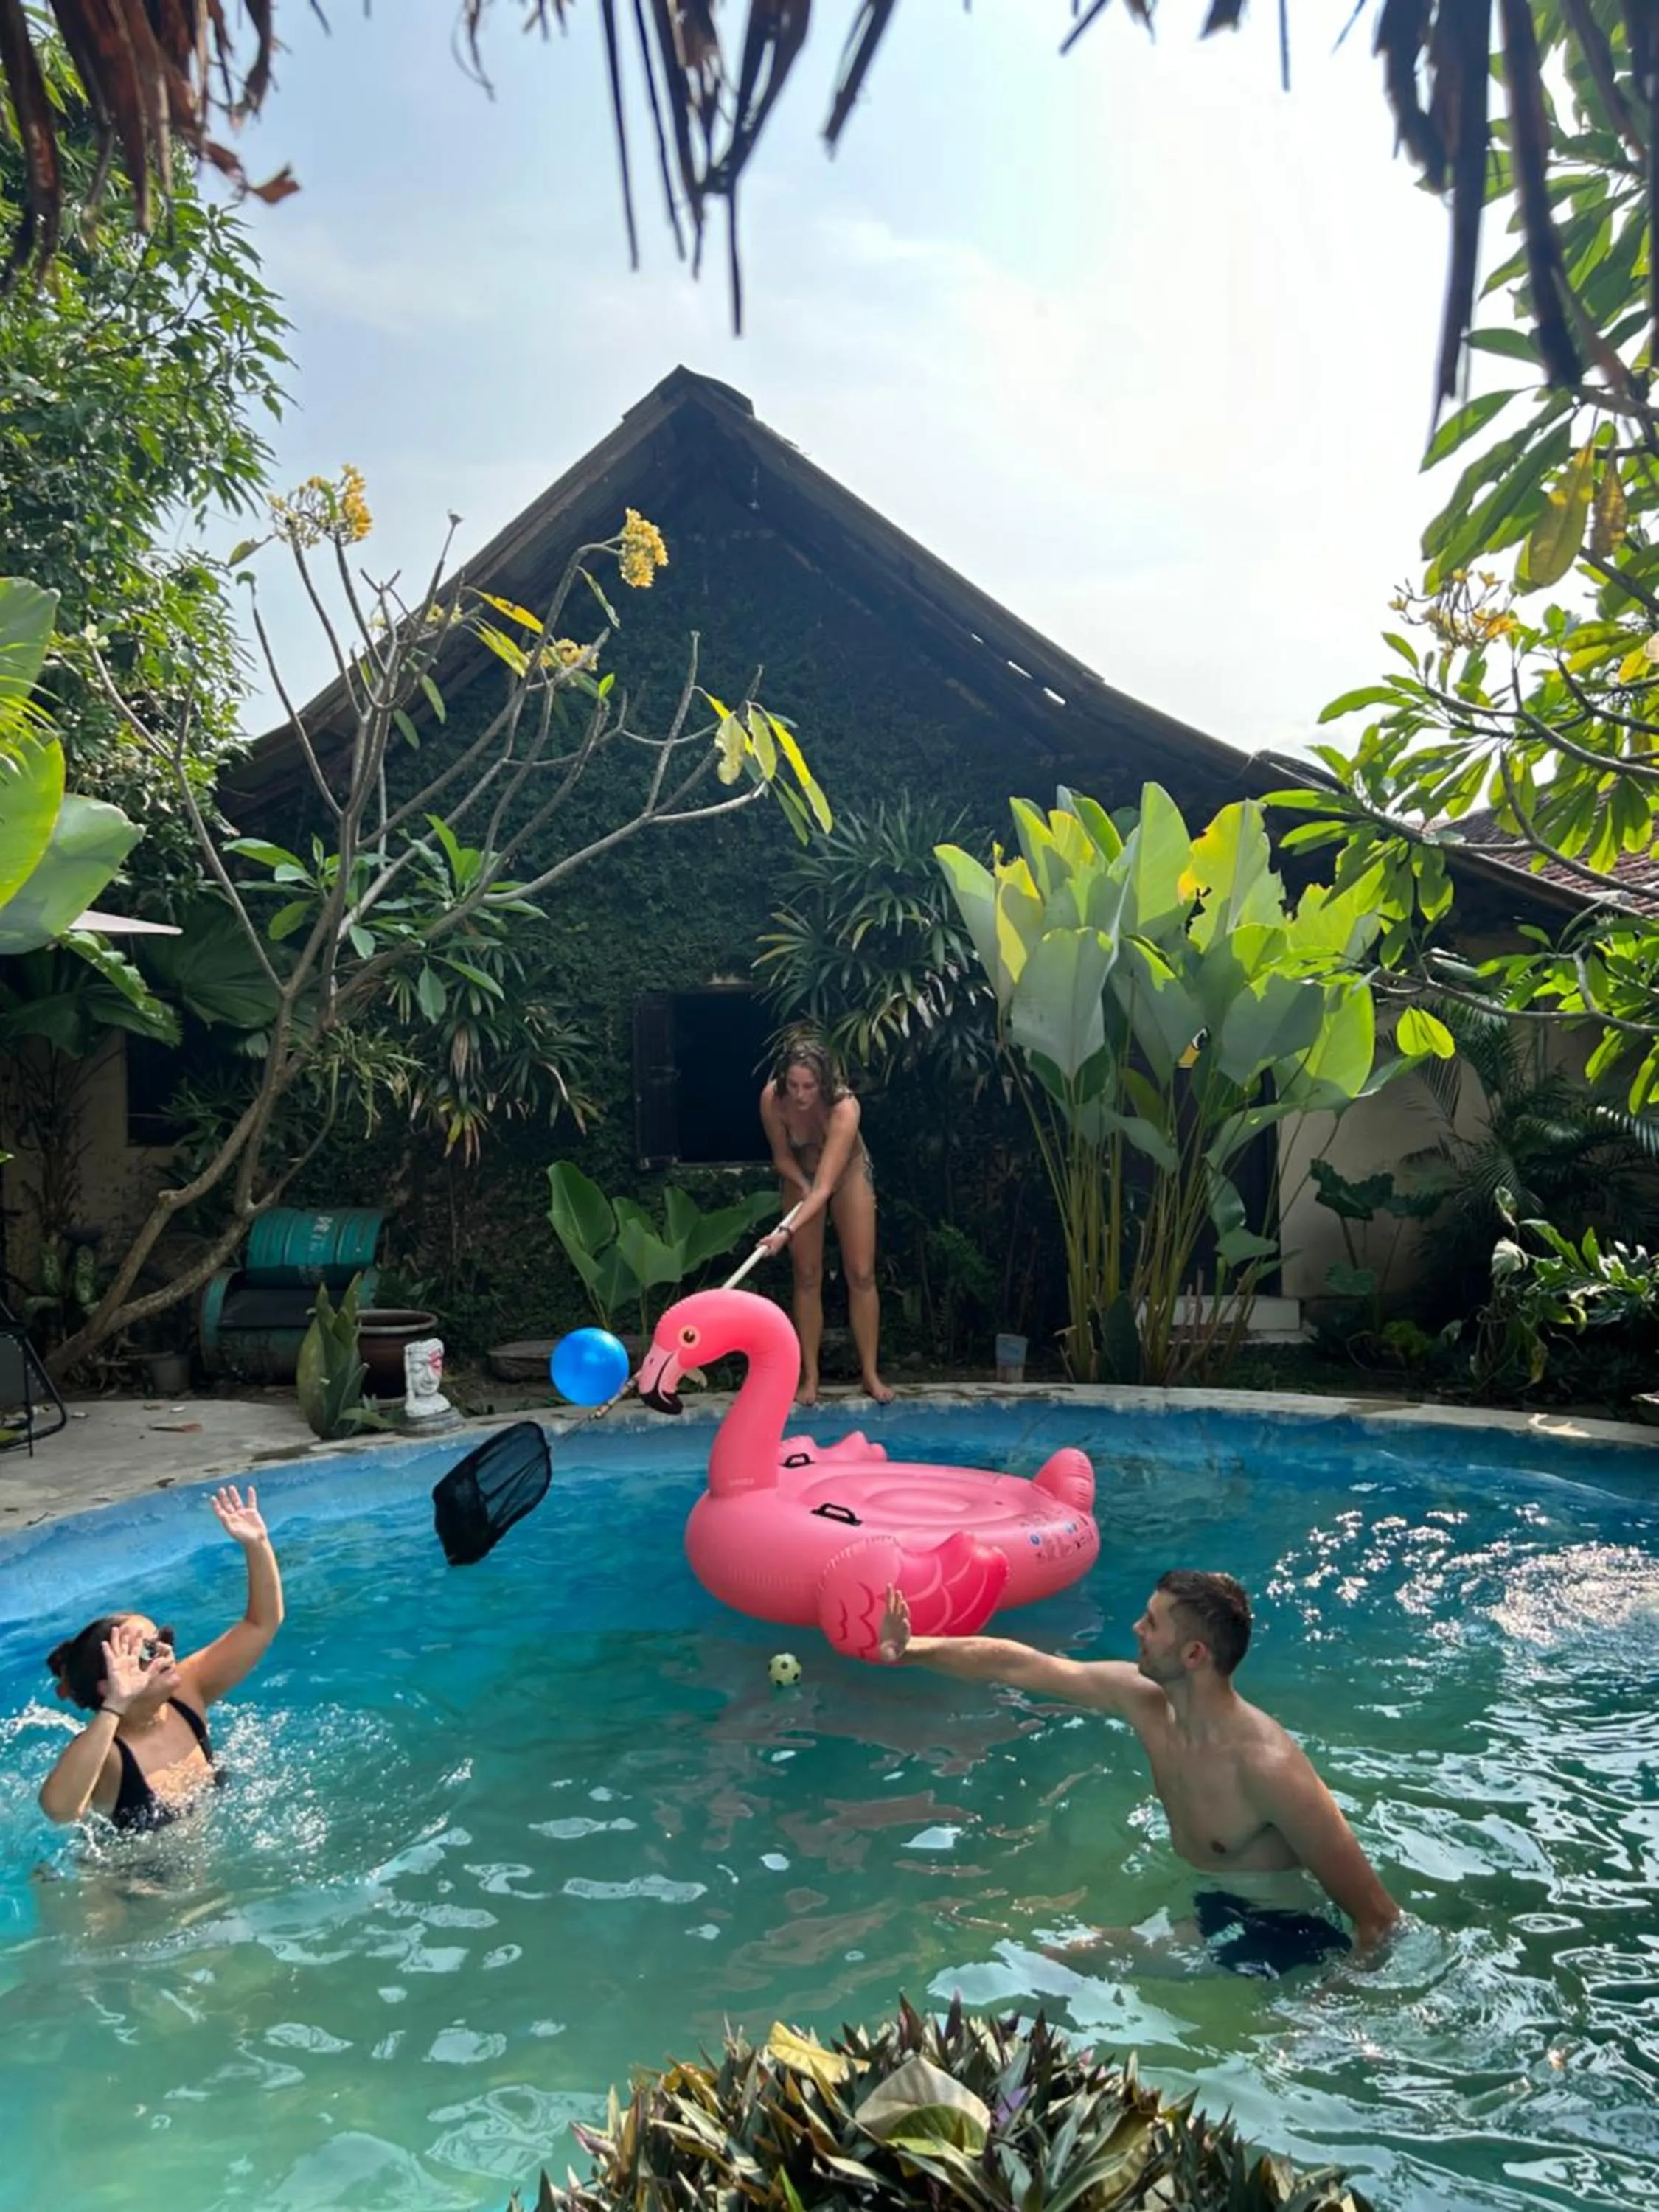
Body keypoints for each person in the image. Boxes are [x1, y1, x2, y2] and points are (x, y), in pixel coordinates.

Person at [877, 1568, 1400, 1976]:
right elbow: (1019, 1665)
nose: (1136, 1629)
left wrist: (1325, 2009)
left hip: (1286, 1936)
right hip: (1213, 1903)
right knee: (1062, 1960)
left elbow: (1380, 1919)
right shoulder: (1146, 1702)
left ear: (1194, 1654)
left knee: (1062, 1960)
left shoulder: (1266, 1767)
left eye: (1152, 1623)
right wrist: (913, 1648)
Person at [38, 1484, 284, 1832]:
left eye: (163, 1638)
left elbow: (262, 1624)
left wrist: (257, 1545)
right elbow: (59, 1811)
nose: (167, 1650)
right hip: (130, 1885)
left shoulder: (187, 1695)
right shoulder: (107, 1753)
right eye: (148, 1650)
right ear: (110, 1682)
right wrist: (115, 1706)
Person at [757, 1040, 891, 1405]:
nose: (800, 1095)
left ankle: (869, 1373)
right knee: (806, 1274)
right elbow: (782, 1157)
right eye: (794, 1085)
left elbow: (826, 1187)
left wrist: (785, 1231)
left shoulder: (844, 1107)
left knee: (862, 1272)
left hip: (845, 1173)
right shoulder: (773, 1099)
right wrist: (800, 1184)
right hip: (801, 1174)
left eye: (809, 1087)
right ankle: (810, 1376)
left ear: (824, 1084)